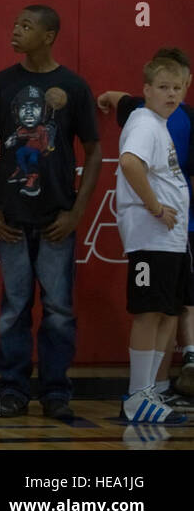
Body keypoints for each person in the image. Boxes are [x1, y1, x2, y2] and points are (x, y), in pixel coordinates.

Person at [0, 5, 103, 421]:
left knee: (59, 310)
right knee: (13, 307)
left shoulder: (73, 86)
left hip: (56, 219)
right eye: (15, 23)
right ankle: (11, 390)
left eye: (26, 26)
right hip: (10, 217)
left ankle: (55, 392)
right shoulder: (1, 84)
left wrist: (77, 212)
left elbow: (96, 149)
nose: (15, 30)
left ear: (49, 36)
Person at [98, 46, 194, 404]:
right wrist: (156, 208)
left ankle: (150, 391)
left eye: (177, 88)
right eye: (164, 87)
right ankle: (138, 394)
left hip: (168, 239)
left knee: (165, 312)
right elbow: (129, 164)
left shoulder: (160, 125)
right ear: (147, 90)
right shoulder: (142, 122)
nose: (171, 94)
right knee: (148, 312)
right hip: (148, 238)